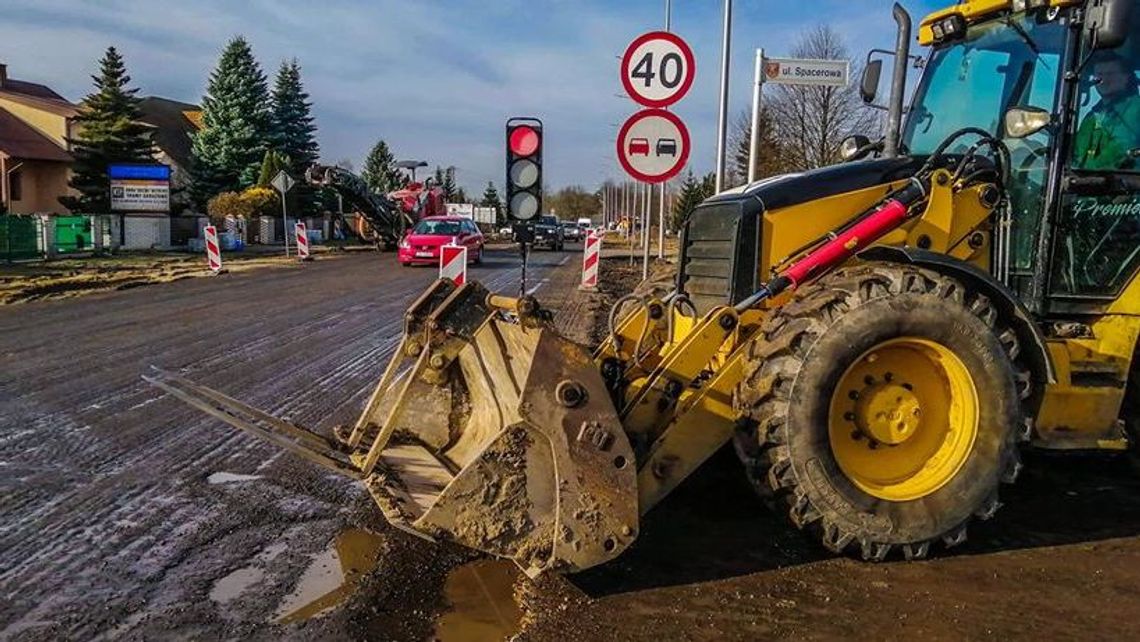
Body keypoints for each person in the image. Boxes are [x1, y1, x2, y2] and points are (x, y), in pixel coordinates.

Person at [1074, 52, 1140, 171]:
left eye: (1110, 74)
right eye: (1099, 75)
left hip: (1123, 186)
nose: (1103, 80)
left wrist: (1086, 173)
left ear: (1126, 78)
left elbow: (1122, 146)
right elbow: (1077, 152)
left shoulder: (1136, 108)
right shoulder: (1092, 116)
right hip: (1088, 184)